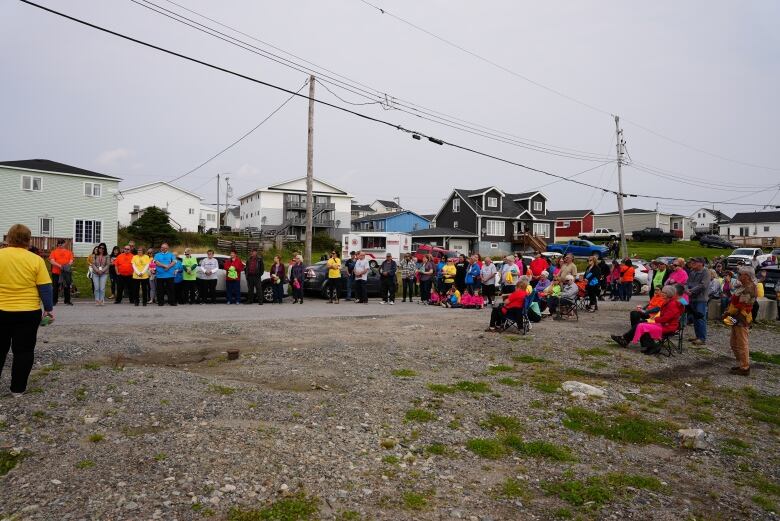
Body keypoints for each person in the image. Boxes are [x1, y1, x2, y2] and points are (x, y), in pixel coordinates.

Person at [0, 224, 55, 397]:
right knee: (23, 351)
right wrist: (48, 309)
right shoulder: (35, 259)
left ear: (8, 238)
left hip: (1, 310)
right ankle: (18, 389)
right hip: (28, 311)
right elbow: (45, 288)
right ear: (28, 240)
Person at [629, 286, 685, 355]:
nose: (662, 293)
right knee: (641, 323)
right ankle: (650, 346)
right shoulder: (667, 301)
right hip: (663, 323)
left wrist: (654, 319)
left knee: (643, 325)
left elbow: (666, 318)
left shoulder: (672, 304)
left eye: (664, 292)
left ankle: (653, 347)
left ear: (669, 294)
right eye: (662, 292)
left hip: (668, 327)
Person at [723, 267, 758, 375]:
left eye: (740, 274)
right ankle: (741, 363)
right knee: (734, 342)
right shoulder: (743, 286)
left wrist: (728, 313)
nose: (738, 275)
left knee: (742, 342)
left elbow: (742, 305)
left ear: (747, 276)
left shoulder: (750, 287)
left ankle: (744, 367)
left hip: (741, 318)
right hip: (735, 316)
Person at [686, 257, 711, 345]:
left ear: (701, 263)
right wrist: (686, 290)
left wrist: (691, 291)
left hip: (701, 299)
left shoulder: (706, 272)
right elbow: (687, 283)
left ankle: (702, 338)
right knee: (695, 318)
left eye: (695, 261)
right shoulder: (692, 272)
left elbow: (703, 285)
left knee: (700, 318)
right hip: (692, 298)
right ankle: (697, 336)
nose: (692, 263)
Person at [48, 239, 74, 306]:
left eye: (62, 243)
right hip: (56, 272)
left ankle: (67, 301)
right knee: (55, 287)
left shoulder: (69, 252)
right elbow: (52, 261)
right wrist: (60, 266)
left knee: (67, 286)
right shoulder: (53, 252)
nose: (60, 244)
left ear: (64, 244)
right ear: (58, 244)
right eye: (59, 243)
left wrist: (66, 266)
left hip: (66, 272)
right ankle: (54, 301)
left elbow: (71, 260)